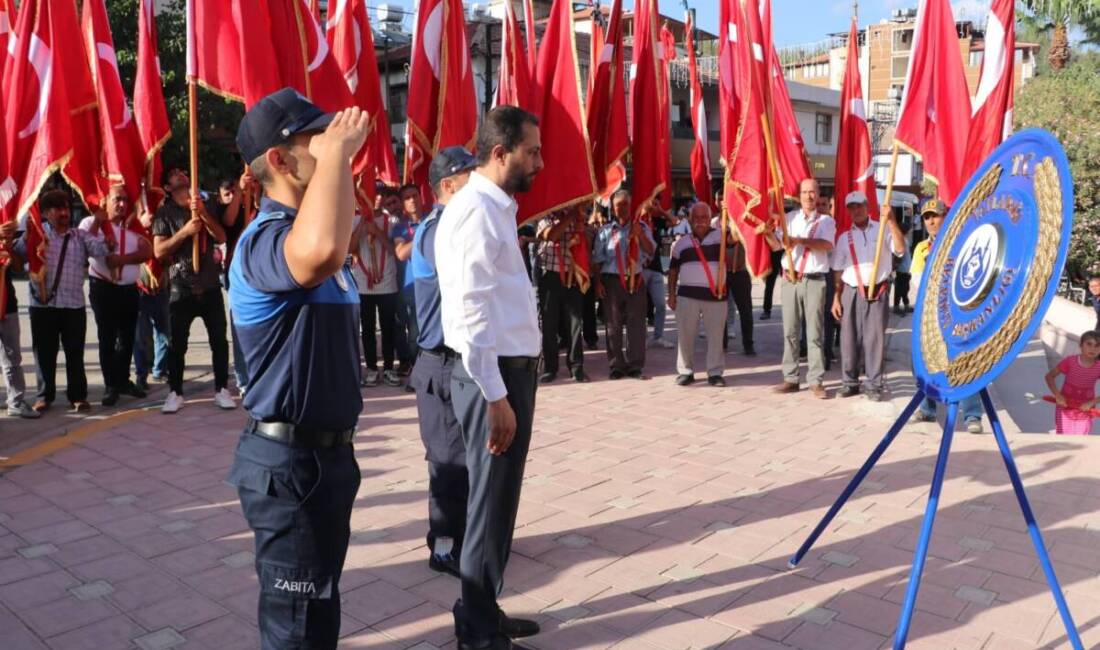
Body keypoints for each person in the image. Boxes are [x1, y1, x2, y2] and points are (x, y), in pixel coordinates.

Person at [227, 89, 366, 649]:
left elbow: (333, 240)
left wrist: (334, 160)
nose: (335, 143)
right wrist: (339, 159)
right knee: (297, 630)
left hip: (324, 460)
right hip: (291, 466)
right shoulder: (263, 242)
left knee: (319, 613)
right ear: (280, 161)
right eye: (320, 138)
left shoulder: (308, 236)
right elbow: (321, 251)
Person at [436, 106, 543, 650]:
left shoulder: (493, 206)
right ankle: (476, 632)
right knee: (487, 503)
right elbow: (470, 311)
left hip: (505, 372)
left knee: (500, 502)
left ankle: (483, 609)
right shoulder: (476, 210)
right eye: (532, 152)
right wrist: (496, 395)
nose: (539, 163)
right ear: (500, 153)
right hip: (491, 376)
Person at [409, 146, 477, 579]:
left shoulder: (456, 225)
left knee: (467, 458)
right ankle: (445, 546)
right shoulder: (438, 230)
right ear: (448, 185)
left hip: (460, 362)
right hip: (441, 364)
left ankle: (467, 535)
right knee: (448, 463)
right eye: (471, 176)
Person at [16, 190, 114, 413]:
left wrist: (108, 242)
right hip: (43, 306)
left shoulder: (79, 236)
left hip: (73, 305)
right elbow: (20, 255)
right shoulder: (38, 235)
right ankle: (44, 396)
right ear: (46, 213)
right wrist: (25, 237)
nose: (64, 213)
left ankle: (78, 397)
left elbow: (100, 250)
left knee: (74, 353)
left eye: (66, 208)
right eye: (58, 208)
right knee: (44, 354)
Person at [152, 169, 236, 413]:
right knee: (177, 344)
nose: (182, 176)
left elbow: (221, 236)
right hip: (182, 286)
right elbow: (159, 251)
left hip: (209, 284)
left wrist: (203, 215)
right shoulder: (164, 213)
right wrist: (185, 232)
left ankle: (221, 389)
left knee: (219, 340)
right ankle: (175, 392)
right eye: (176, 176)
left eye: (183, 173)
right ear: (168, 187)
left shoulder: (206, 203)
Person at [908, 198, 984, 432]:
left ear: (946, 216)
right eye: (927, 217)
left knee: (965, 360)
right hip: (930, 313)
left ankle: (971, 415)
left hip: (958, 312)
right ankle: (928, 408)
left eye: (936, 216)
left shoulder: (961, 243)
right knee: (926, 360)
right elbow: (917, 282)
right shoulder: (921, 248)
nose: (931, 221)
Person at [79, 185, 153, 406]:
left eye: (125, 200)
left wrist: (122, 260)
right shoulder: (91, 223)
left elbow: (147, 252)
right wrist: (98, 221)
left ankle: (122, 380)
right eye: (117, 199)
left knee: (127, 337)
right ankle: (111, 384)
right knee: (107, 337)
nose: (122, 204)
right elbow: (84, 244)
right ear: (106, 200)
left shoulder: (133, 226)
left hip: (129, 288)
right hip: (103, 287)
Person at [830, 192, 905, 402]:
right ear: (848, 211)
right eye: (852, 207)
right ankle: (850, 382)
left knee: (875, 339)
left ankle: (873, 384)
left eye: (860, 206)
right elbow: (837, 270)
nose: (856, 211)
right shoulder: (844, 238)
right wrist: (836, 297)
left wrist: (891, 221)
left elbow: (900, 249)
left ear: (867, 206)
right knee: (848, 339)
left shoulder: (882, 230)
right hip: (852, 291)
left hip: (878, 290)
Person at [766, 178, 834, 399]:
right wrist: (766, 233)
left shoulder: (826, 221)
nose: (808, 196)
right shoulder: (789, 219)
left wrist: (799, 241)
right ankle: (790, 377)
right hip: (790, 280)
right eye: (804, 192)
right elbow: (778, 246)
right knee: (790, 331)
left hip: (814, 280)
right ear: (799, 194)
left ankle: (816, 381)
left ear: (818, 194)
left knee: (814, 333)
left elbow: (826, 245)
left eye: (812, 192)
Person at [592, 190, 656, 380]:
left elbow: (651, 251)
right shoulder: (605, 231)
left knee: (637, 324)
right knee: (613, 325)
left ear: (631, 205)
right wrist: (598, 283)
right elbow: (597, 260)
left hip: (635, 280)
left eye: (626, 204)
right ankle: (616, 365)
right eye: (618, 205)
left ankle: (635, 365)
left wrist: (640, 236)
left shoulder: (641, 227)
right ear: (613, 208)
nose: (622, 208)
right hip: (612, 281)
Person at [668, 203, 727, 387]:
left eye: (704, 217)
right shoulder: (680, 243)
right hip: (687, 296)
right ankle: (685, 371)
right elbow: (673, 271)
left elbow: (738, 245)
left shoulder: (722, 238)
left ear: (710, 219)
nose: (700, 221)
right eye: (697, 218)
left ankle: (715, 372)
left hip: (715, 297)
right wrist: (671, 295)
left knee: (716, 336)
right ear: (690, 220)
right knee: (685, 335)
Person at [350, 188, 402, 387]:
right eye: (371, 195)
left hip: (387, 282)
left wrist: (377, 232)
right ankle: (371, 368)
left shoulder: (392, 221)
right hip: (363, 283)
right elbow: (349, 249)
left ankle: (389, 367)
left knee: (388, 327)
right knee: (368, 328)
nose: (376, 199)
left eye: (379, 195)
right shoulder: (355, 220)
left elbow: (392, 250)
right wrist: (363, 226)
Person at [536, 208, 590, 383]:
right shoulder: (545, 219)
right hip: (550, 277)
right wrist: (569, 218)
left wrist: (581, 226)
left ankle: (576, 367)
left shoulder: (577, 218)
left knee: (575, 325)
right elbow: (551, 235)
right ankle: (550, 368)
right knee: (549, 325)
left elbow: (586, 244)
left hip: (572, 276)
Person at [0, 221, 39, 418]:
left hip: (7, 304)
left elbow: (16, 267)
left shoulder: (5, 227)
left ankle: (15, 401)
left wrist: (6, 245)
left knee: (12, 356)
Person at [133, 207, 170, 394]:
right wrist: (141, 224)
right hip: (140, 288)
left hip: (161, 288)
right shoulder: (133, 228)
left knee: (163, 333)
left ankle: (160, 369)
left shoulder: (163, 225)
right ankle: (141, 375)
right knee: (141, 337)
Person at [393, 183, 425, 374]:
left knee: (420, 333)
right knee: (408, 331)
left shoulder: (432, 220)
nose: (412, 200)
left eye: (415, 195)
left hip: (430, 287)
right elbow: (401, 253)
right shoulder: (400, 228)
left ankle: (418, 370)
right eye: (407, 198)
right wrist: (422, 233)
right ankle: (412, 367)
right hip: (408, 287)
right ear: (403, 204)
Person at [1045, 330, 1100, 435]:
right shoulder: (1070, 361)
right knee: (1063, 438)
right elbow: (1049, 377)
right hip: (1065, 406)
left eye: (1097, 346)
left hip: (1086, 409)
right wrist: (1058, 395)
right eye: (1089, 344)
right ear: (1081, 345)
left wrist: (1093, 402)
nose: (1093, 349)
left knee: (1081, 439)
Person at [640, 201, 675, 349]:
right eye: (650, 202)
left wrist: (661, 211)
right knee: (639, 306)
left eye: (655, 203)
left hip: (656, 269)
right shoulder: (637, 222)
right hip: (639, 269)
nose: (652, 205)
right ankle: (640, 338)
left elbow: (674, 222)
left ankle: (658, 337)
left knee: (660, 304)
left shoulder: (658, 221)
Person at [893, 224, 913, 315]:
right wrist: (895, 267)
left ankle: (906, 306)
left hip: (905, 269)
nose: (910, 232)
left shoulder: (904, 240)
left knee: (904, 289)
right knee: (900, 290)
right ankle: (897, 307)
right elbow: (899, 256)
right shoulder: (902, 240)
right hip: (902, 270)